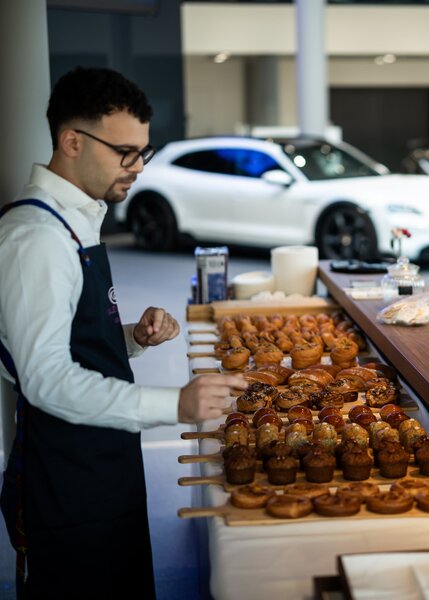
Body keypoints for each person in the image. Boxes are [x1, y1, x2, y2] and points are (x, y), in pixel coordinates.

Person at [0, 67, 246, 598]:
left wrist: (130, 337)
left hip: (102, 462)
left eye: (143, 152)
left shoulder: (75, 219)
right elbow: (43, 380)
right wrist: (175, 404)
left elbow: (67, 342)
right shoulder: (35, 237)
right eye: (125, 152)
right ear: (71, 141)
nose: (137, 168)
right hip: (67, 481)